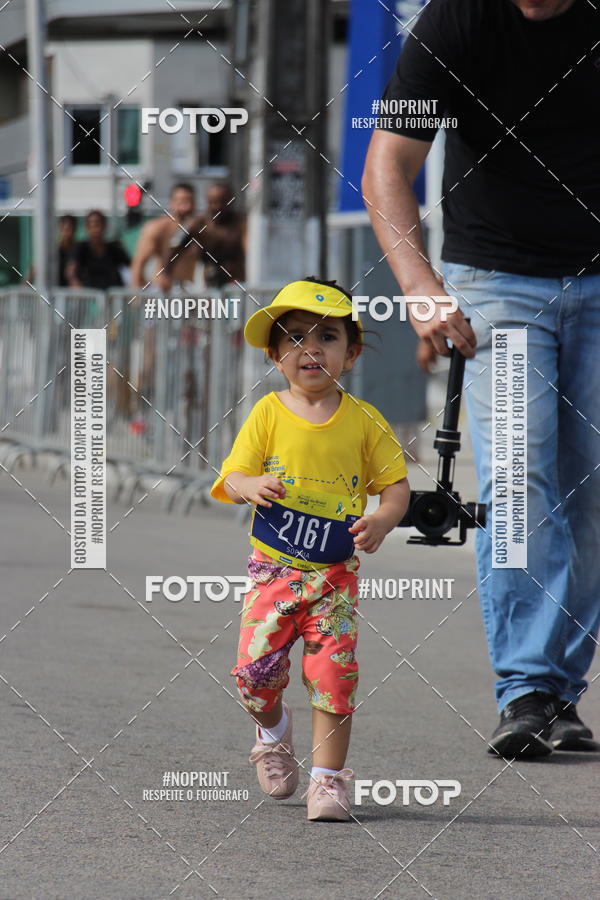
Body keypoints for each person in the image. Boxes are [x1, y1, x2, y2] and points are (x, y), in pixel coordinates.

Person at [362, 0, 600, 758]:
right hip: (497, 284)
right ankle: (528, 688)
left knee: (589, 492)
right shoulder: (458, 21)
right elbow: (388, 164)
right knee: (520, 478)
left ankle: (559, 687)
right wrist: (420, 286)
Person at [210, 278, 410, 820]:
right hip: (272, 573)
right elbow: (232, 474)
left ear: (352, 352)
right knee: (255, 675)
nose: (311, 349)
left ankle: (328, 782)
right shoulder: (269, 413)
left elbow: (396, 486)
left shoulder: (365, 420)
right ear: (275, 355)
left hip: (334, 578)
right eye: (295, 338)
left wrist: (384, 519)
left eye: (327, 336)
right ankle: (272, 731)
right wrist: (248, 485)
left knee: (334, 675)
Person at [165, 182, 246, 288]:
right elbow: (174, 247)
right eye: (213, 202)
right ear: (208, 201)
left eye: (222, 202)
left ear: (230, 201)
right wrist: (166, 274)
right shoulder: (198, 224)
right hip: (208, 281)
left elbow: (250, 250)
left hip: (236, 282)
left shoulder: (240, 224)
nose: (217, 207)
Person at [130, 182, 198, 291]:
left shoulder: (198, 229)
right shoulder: (158, 228)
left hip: (188, 294)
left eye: (190, 201)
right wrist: (138, 293)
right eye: (182, 202)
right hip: (162, 294)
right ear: (172, 203)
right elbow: (139, 263)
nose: (186, 207)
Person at [68, 210, 130, 290]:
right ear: (87, 228)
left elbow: (131, 267)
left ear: (104, 226)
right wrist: (76, 287)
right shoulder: (81, 248)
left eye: (97, 225)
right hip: (88, 296)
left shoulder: (114, 248)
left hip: (112, 296)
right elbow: (71, 271)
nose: (95, 230)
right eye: (91, 226)